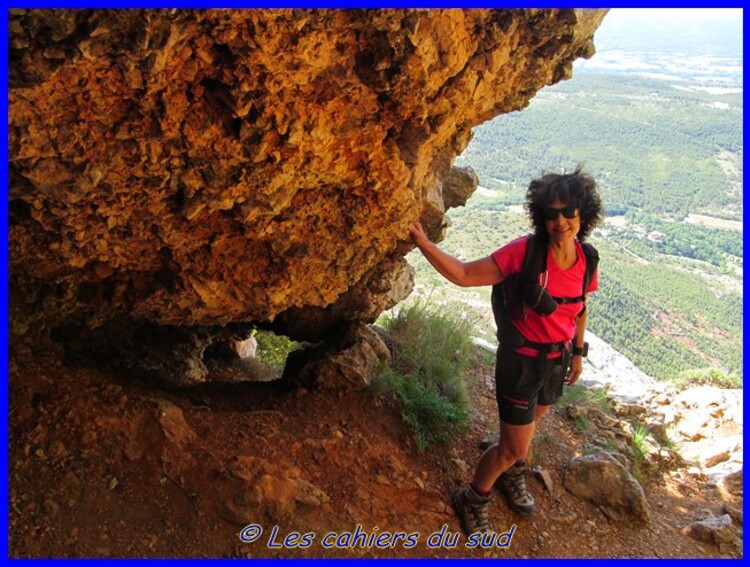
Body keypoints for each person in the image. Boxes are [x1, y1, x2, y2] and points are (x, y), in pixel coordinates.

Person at [409, 166, 603, 535]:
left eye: (568, 212)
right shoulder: (525, 253)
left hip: (556, 361)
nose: (560, 221)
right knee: (513, 448)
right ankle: (473, 495)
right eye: (551, 213)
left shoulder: (587, 259)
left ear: (583, 214)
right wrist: (425, 244)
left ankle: (511, 471)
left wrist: (577, 353)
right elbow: (465, 275)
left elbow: (580, 306)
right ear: (540, 217)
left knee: (529, 426)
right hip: (521, 363)